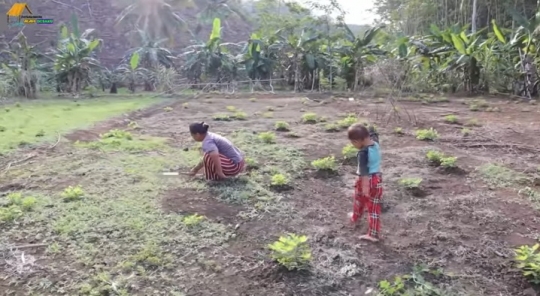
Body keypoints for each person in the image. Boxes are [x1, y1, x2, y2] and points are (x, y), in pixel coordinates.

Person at [347, 123, 383, 242]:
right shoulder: (375, 143)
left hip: (366, 181)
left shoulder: (363, 153)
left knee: (361, 200)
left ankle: (372, 235)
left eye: (353, 142)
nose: (353, 145)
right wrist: (370, 129)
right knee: (373, 206)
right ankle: (355, 217)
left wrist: (365, 188)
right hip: (377, 179)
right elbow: (373, 133)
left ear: (359, 141)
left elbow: (364, 173)